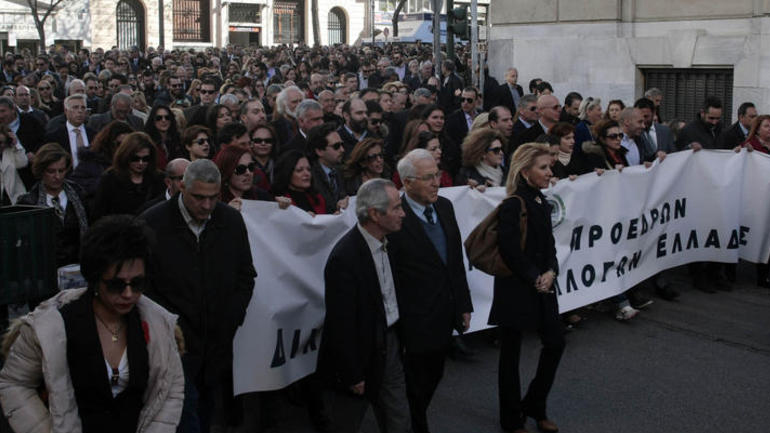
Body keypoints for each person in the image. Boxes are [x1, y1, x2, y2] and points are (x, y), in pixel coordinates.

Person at [0, 215, 184, 433]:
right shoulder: (53, 326)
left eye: (137, 283)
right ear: (95, 279)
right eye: (116, 285)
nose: (128, 294)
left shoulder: (158, 324)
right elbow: (15, 383)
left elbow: (170, 389)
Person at [141, 158, 257, 432]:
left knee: (205, 411)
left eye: (213, 198)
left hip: (216, 345)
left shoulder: (230, 221)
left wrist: (231, 319)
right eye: (199, 198)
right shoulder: (152, 224)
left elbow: (245, 275)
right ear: (182, 187)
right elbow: (144, 286)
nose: (206, 206)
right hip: (173, 346)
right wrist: (168, 327)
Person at [387, 149, 473, 433]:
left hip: (445, 313)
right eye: (428, 178)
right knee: (415, 381)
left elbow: (455, 261)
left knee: (434, 373)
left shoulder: (445, 206)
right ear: (407, 182)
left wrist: (464, 304)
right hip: (414, 319)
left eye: (437, 175)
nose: (436, 182)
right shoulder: (393, 218)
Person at [317, 178, 410, 433]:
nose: (403, 213)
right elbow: (341, 323)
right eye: (396, 208)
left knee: (399, 420)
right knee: (346, 422)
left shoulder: (393, 242)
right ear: (375, 214)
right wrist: (353, 374)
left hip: (390, 343)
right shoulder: (344, 259)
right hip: (359, 352)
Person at [491, 142, 564, 433]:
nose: (549, 172)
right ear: (525, 172)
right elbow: (509, 250)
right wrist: (536, 276)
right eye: (543, 167)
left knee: (556, 343)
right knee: (510, 355)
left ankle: (535, 404)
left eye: (550, 167)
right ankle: (511, 419)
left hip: (543, 285)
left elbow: (550, 246)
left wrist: (552, 271)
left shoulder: (542, 201)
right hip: (515, 287)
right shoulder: (513, 204)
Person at [16, 143, 88, 266]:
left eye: (61, 170)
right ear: (41, 171)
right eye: (51, 171)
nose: (57, 176)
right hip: (45, 267)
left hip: (78, 264)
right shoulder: (29, 203)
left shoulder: (78, 194)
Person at [91, 132, 165, 220]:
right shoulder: (110, 179)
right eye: (135, 158)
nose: (140, 163)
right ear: (126, 155)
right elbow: (98, 213)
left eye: (145, 159)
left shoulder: (159, 179)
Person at [214, 145, 273, 211]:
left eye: (251, 167)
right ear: (227, 171)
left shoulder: (262, 196)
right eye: (241, 169)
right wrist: (226, 212)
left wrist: (279, 207)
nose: (248, 173)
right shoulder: (214, 201)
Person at [307, 122, 348, 214]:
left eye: (342, 145)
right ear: (319, 151)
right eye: (336, 146)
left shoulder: (341, 171)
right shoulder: (309, 176)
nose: (342, 150)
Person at [273, 150, 327, 215]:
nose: (307, 174)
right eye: (299, 170)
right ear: (287, 173)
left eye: (309, 169)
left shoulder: (318, 198)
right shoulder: (278, 201)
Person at [0, 125, 27, 205]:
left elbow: (22, 163)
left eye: (3, 142)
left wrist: (16, 144)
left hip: (14, 197)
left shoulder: (11, 150)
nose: (1, 145)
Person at [248, 123, 279, 190]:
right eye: (258, 141)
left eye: (268, 141)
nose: (263, 143)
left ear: (273, 143)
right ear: (251, 143)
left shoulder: (281, 164)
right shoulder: (246, 166)